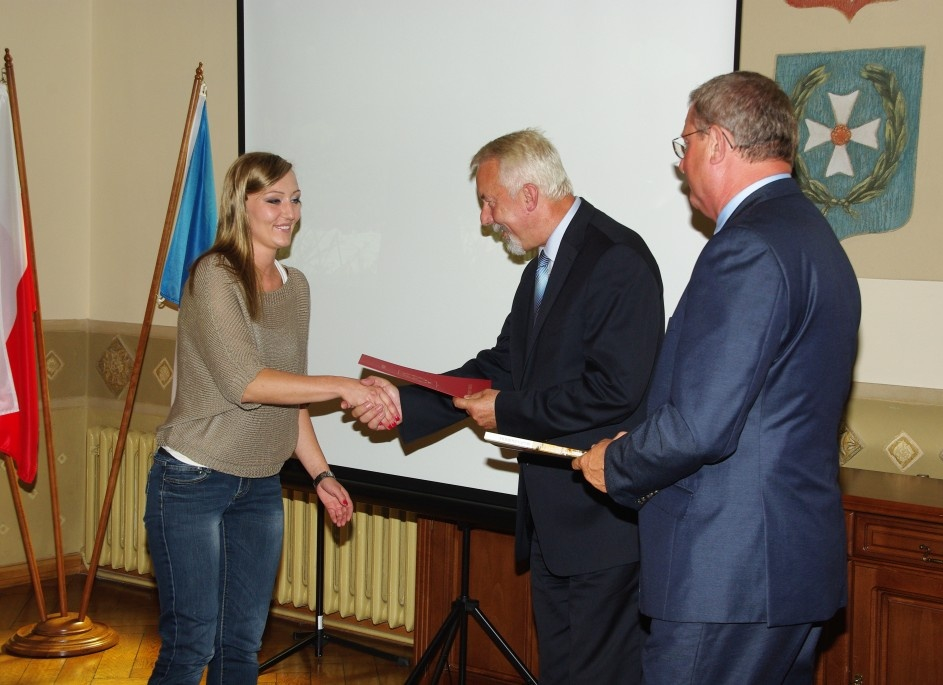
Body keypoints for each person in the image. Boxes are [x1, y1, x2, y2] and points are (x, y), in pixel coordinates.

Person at [573, 71, 861, 684]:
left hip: (729, 577)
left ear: (719, 143)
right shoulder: (817, 240)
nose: (682, 166)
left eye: (686, 145)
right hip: (785, 571)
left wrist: (615, 463)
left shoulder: (749, 246)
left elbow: (704, 425)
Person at [356, 129, 664, 684]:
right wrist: (407, 402)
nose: (484, 219)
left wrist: (510, 411)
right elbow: (500, 367)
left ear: (529, 194)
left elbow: (616, 390)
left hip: (602, 529)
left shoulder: (617, 259)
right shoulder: (542, 269)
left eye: (488, 200)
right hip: (553, 526)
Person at [144, 152, 400, 685]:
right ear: (242, 203)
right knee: (191, 645)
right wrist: (346, 387)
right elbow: (247, 382)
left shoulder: (297, 286)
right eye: (275, 199)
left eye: (296, 199)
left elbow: (290, 396)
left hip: (260, 484)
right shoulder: (214, 274)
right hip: (192, 478)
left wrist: (322, 475)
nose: (290, 211)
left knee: (240, 644)